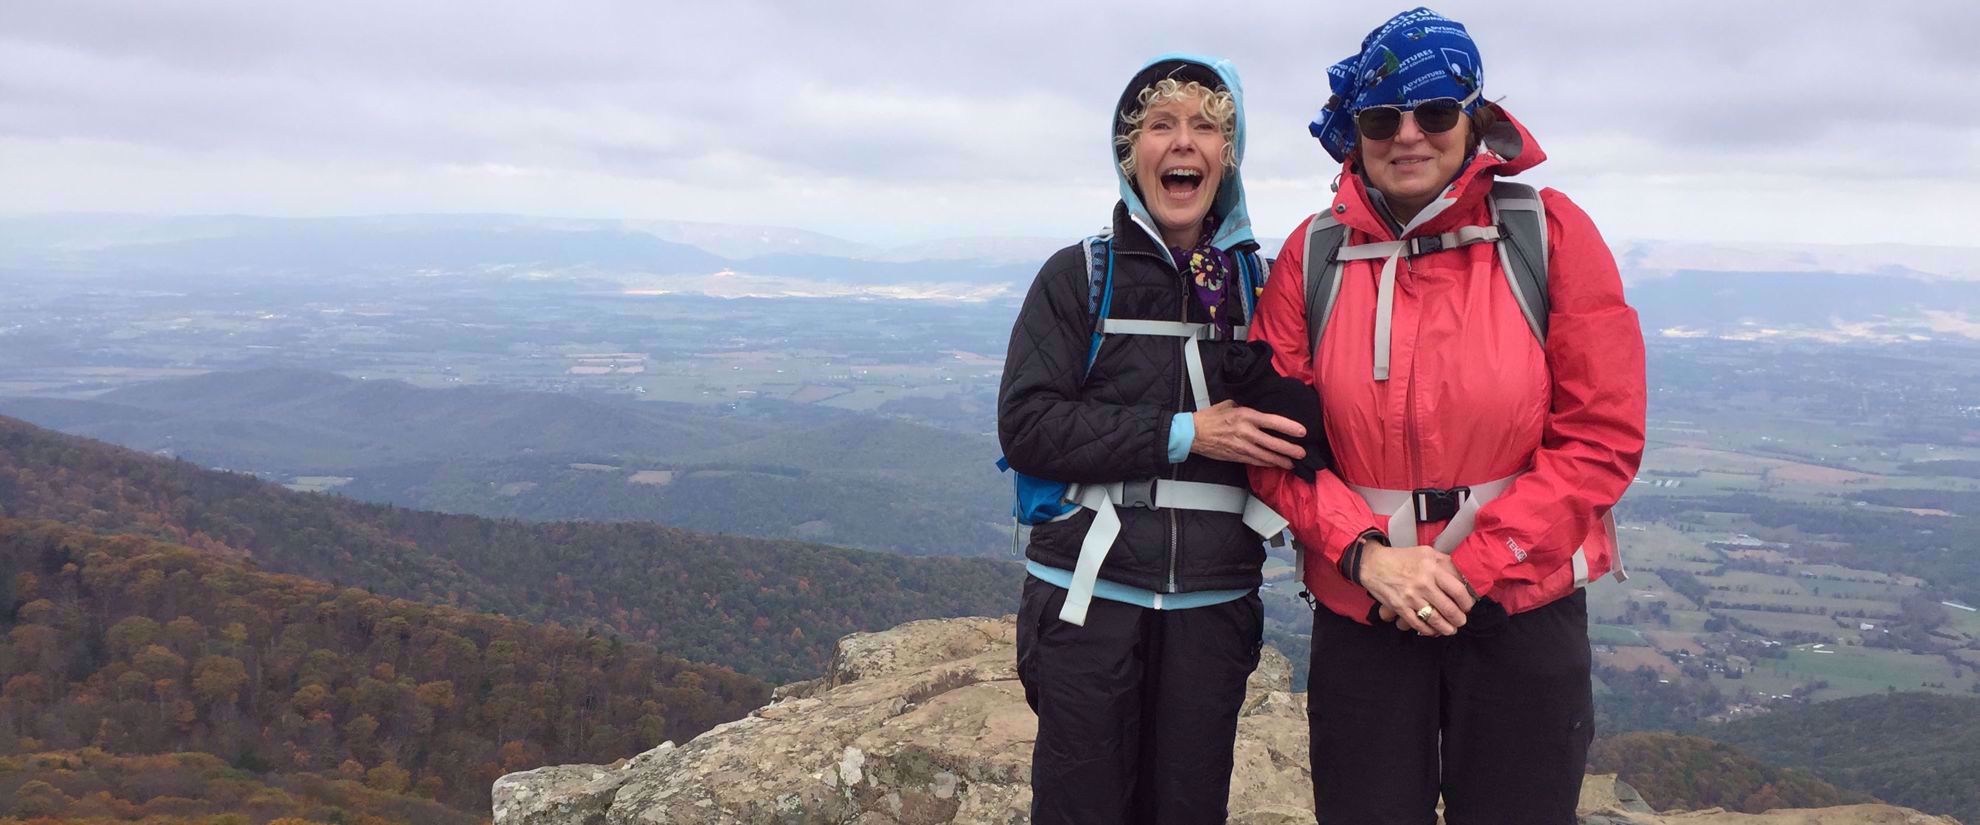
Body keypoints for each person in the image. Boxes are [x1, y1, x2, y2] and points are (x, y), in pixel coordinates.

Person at [1246, 8, 1648, 824]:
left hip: (1521, 608)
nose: (1408, 136)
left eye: (1433, 112)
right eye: (1380, 118)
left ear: (1473, 119)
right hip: (1367, 606)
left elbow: (1602, 434)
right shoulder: (1312, 256)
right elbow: (1275, 444)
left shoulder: (1546, 234)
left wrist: (1473, 565)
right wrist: (1367, 557)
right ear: (1355, 131)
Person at [997, 54, 1308, 824]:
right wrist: (1185, 433)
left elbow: (1309, 429)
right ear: (1130, 151)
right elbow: (1028, 425)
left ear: (1228, 154)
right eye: (1161, 124)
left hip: (1213, 602)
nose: (1183, 142)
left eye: (1205, 126)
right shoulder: (1080, 276)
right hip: (1088, 596)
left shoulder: (1262, 288)